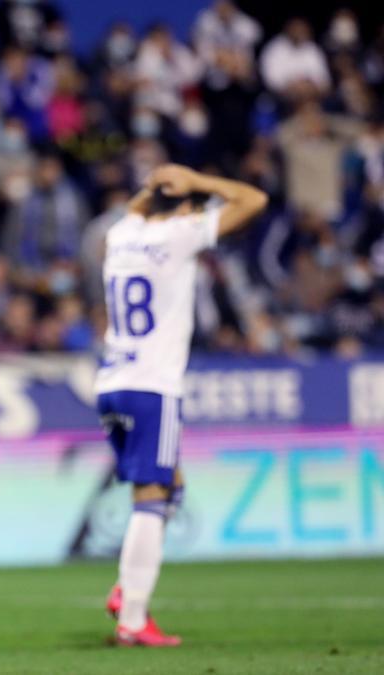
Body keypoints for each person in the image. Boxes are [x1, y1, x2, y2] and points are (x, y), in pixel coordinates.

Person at [96, 164, 266, 646]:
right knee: (151, 497)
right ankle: (132, 619)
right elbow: (253, 200)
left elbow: (137, 206)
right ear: (186, 207)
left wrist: (153, 184)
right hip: (153, 385)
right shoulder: (180, 235)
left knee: (170, 485)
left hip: (112, 380)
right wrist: (199, 179)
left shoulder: (121, 232)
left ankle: (128, 587)